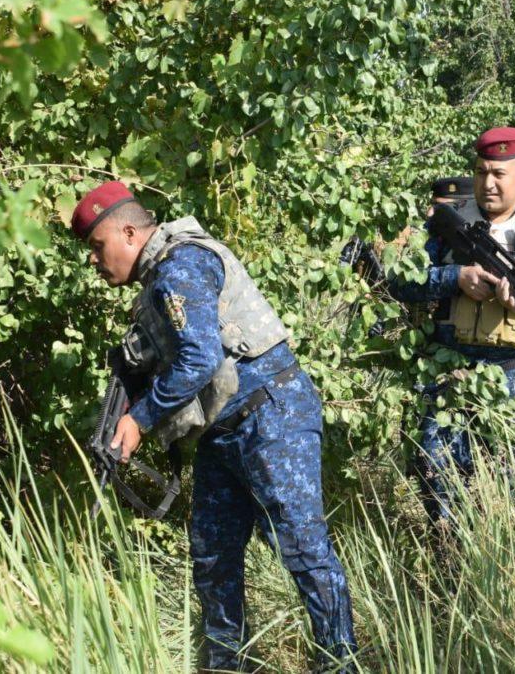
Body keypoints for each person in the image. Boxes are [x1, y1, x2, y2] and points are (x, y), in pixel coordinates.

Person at [71, 181, 357, 672]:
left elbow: (200, 359)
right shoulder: (158, 279)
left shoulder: (180, 268)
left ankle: (339, 662)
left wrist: (139, 419)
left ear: (128, 232)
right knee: (213, 557)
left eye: (97, 247)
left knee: (304, 551)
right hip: (222, 432)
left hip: (271, 418)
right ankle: (227, 664)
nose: (94, 261)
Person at [388, 127, 515, 528]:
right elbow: (398, 282)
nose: (488, 183)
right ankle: (446, 575)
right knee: (439, 493)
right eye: (481, 172)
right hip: (448, 377)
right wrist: (454, 277)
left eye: (499, 174)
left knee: (512, 503)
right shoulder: (443, 225)